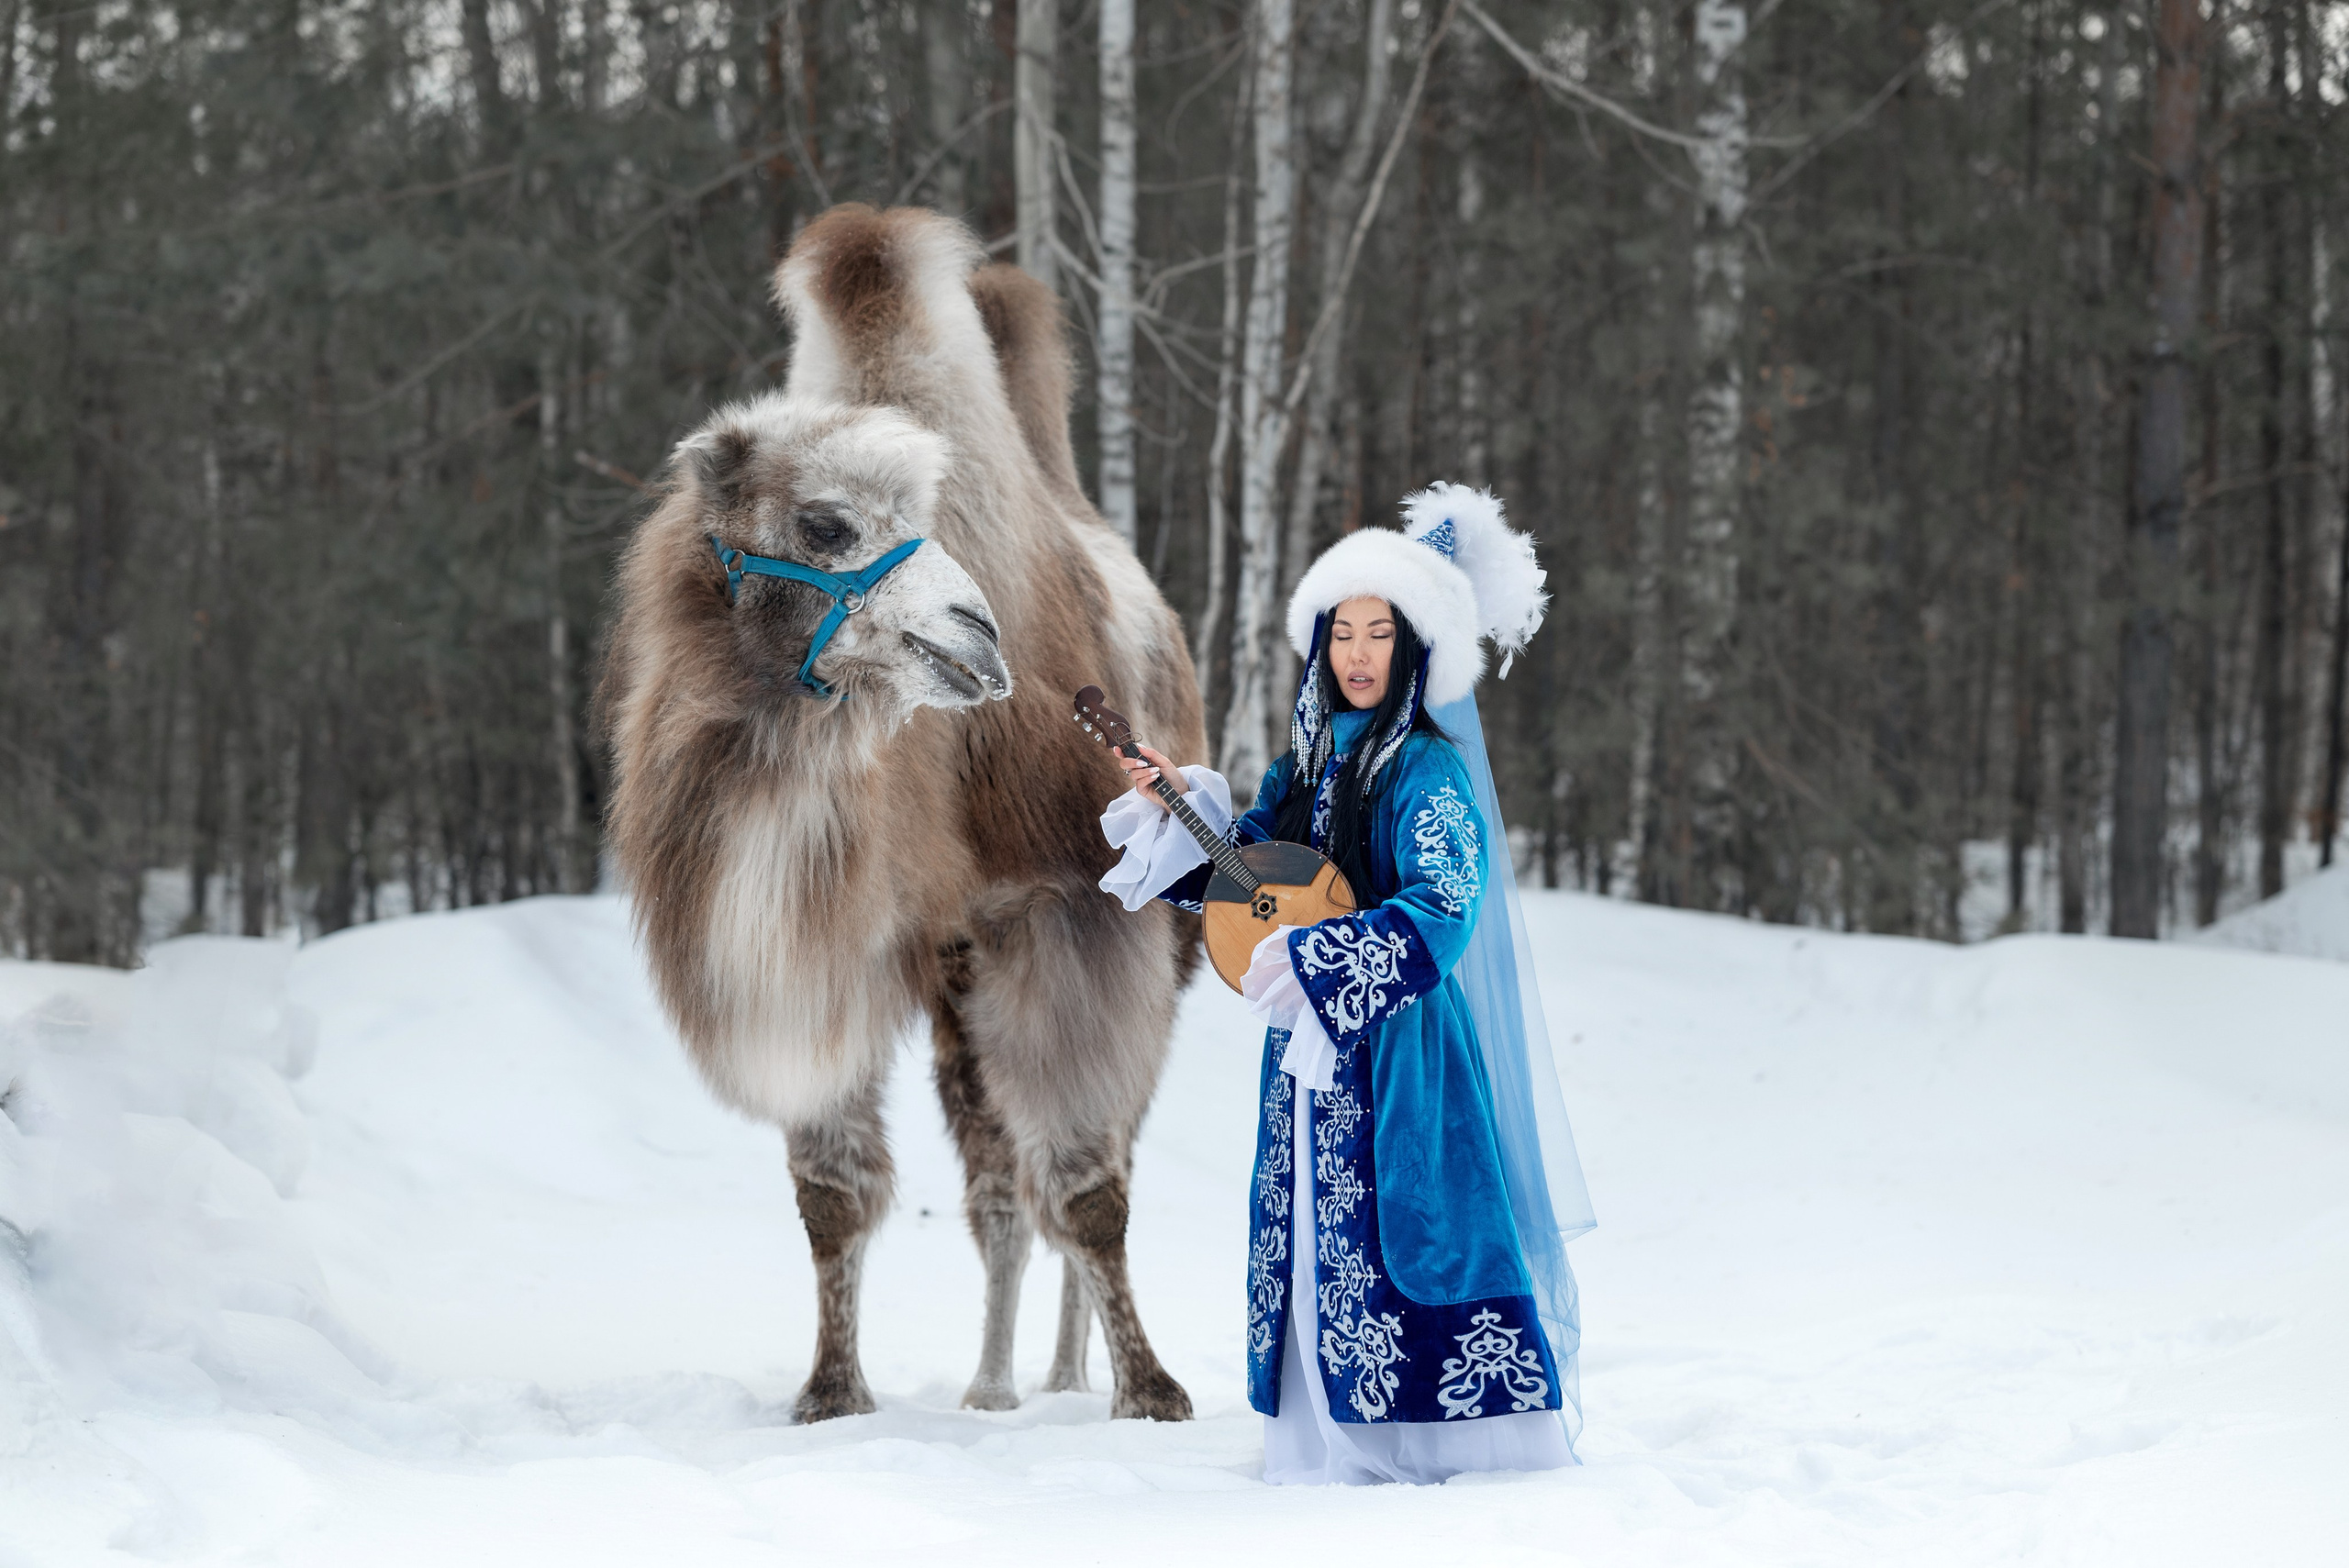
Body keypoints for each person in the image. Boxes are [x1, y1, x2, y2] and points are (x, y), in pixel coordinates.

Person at [1097, 484, 1596, 1485]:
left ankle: (1439, 1435)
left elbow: (1445, 902)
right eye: (1342, 634)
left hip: (1405, 1044)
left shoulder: (1428, 770)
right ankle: (1324, 1432)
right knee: (1315, 1230)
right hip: (1308, 1051)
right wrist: (1176, 808)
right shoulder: (1307, 762)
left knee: (1413, 1224)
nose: (1358, 654)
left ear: (1412, 651)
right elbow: (1247, 876)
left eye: (1379, 634)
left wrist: (1331, 960)